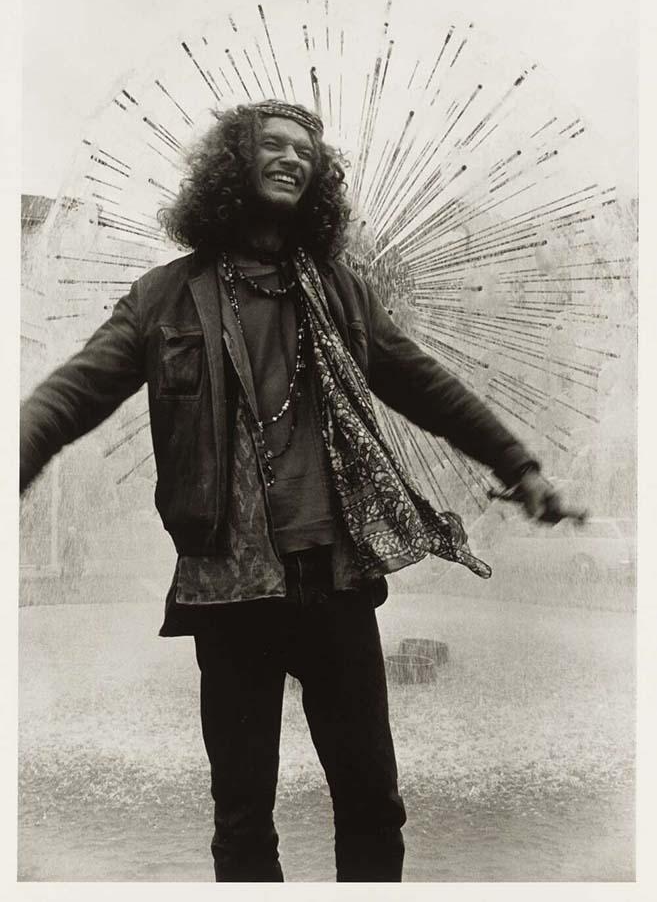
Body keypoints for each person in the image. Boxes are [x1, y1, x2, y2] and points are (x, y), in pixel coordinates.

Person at [20, 100, 572, 882]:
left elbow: (430, 388)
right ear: (230, 167)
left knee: (372, 804)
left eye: (305, 153)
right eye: (272, 145)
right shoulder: (163, 298)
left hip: (335, 583)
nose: (291, 159)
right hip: (230, 587)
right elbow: (74, 392)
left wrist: (519, 466)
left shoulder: (344, 295)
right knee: (243, 817)